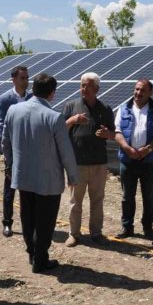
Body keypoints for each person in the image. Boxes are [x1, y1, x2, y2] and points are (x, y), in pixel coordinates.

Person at [2, 73, 79, 272]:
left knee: (27, 218)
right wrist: (72, 175)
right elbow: (65, 150)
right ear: (52, 93)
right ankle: (40, 259)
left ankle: (31, 253)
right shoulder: (54, 117)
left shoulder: (13, 110)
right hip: (48, 180)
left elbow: (6, 142)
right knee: (44, 222)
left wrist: (10, 166)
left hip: (22, 176)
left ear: (33, 89)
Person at [62, 72, 116, 246]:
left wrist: (108, 134)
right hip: (77, 162)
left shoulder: (105, 109)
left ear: (97, 89)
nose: (84, 89)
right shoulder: (71, 106)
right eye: (82, 85)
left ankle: (96, 232)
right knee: (75, 201)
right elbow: (60, 130)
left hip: (99, 163)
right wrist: (73, 119)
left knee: (97, 200)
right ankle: (74, 234)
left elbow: (114, 133)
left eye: (88, 85)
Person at [114, 79, 153, 239]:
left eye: (142, 90)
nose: (138, 93)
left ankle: (148, 228)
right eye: (136, 89)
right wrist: (127, 149)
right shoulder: (123, 109)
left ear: (150, 93)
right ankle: (127, 227)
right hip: (128, 159)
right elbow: (117, 131)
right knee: (127, 196)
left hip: (148, 160)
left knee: (148, 196)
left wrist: (147, 149)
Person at [0, 65, 31, 238]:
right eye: (23, 78)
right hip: (13, 151)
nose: (26, 81)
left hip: (31, 152)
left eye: (27, 77)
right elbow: (2, 126)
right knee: (10, 189)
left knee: (29, 191)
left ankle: (29, 223)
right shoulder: (5, 99)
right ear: (14, 79)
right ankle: (7, 222)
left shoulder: (33, 98)